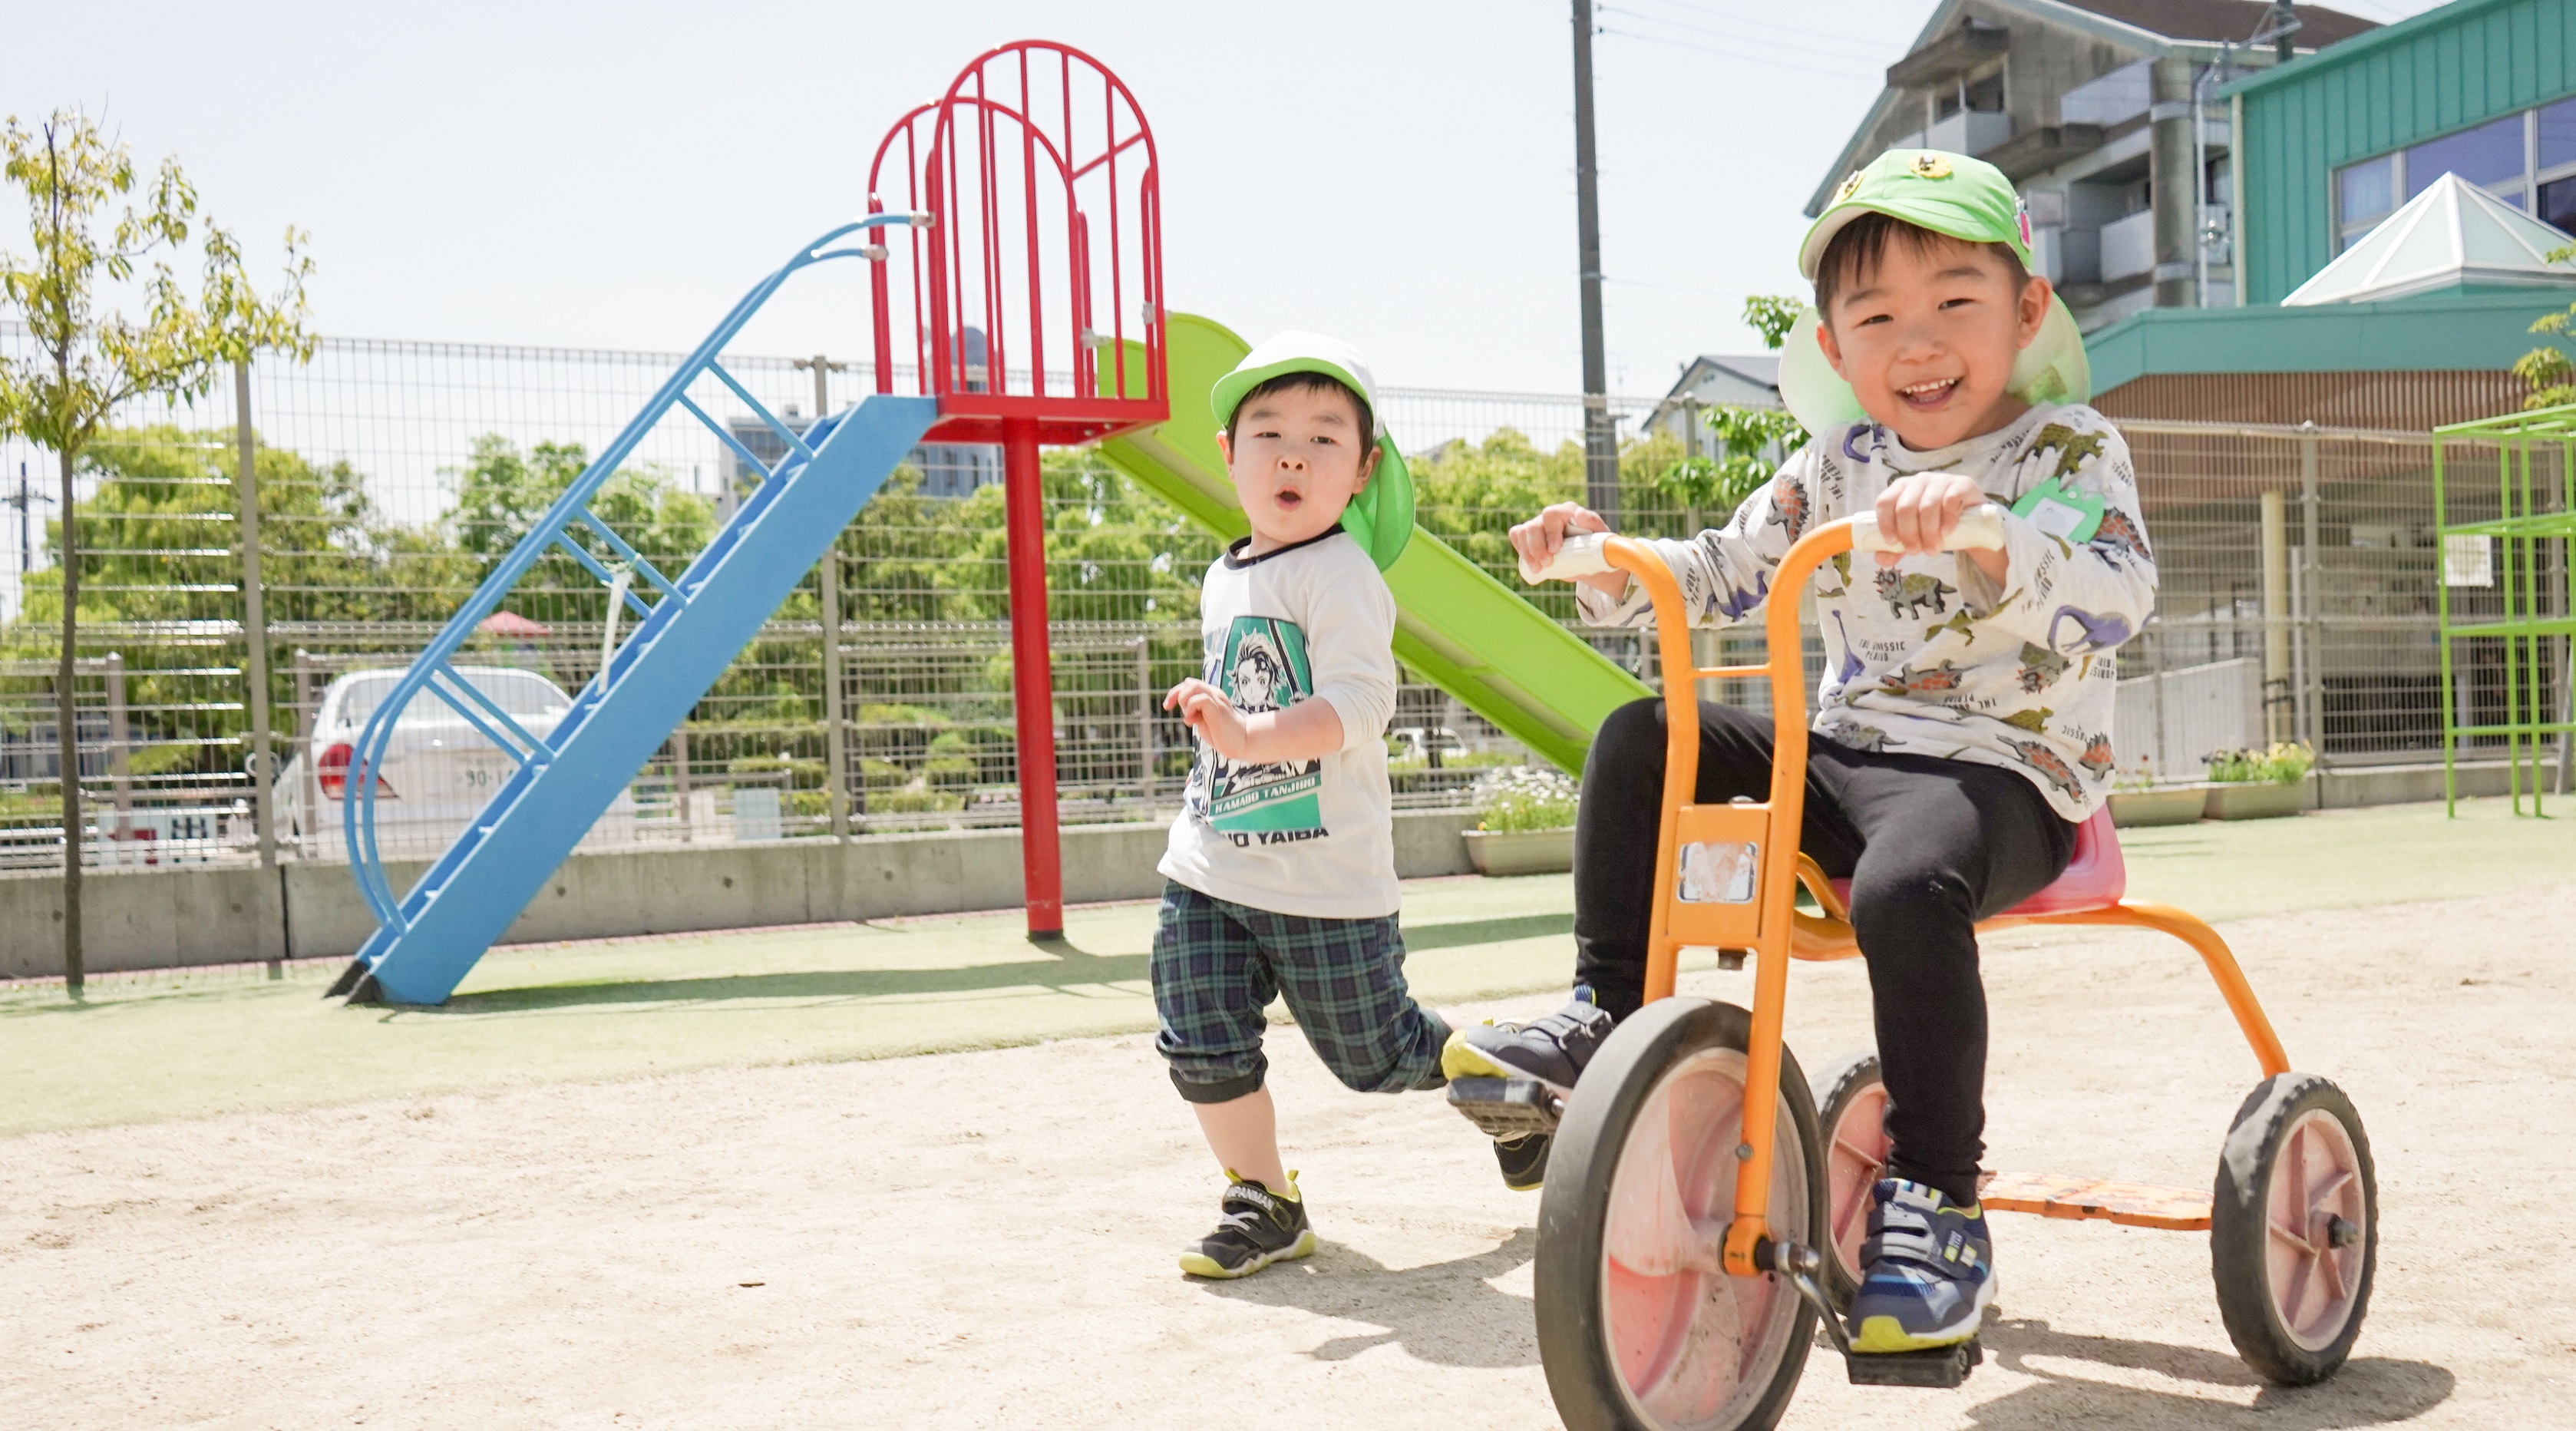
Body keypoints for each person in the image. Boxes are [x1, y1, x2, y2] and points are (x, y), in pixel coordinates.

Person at [1447, 150, 2158, 1353]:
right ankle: (1601, 1015)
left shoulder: (2067, 452)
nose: (1917, 343)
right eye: (1877, 317)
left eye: (1954, 304)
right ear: (1834, 349)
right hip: (1848, 756)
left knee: (1902, 882)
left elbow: (2119, 592)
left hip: (2010, 774)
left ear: (2026, 311)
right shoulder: (1838, 464)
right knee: (1646, 732)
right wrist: (1596, 558)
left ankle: (1938, 1196)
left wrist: (1992, 541)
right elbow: (1721, 571)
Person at [1153, 331, 1448, 1279]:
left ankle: (1510, 1079)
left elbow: (1362, 704)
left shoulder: (1341, 575)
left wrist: (1248, 734)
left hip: (1325, 880)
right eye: (1267, 431)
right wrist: (1223, 730)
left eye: (1324, 438)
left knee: (1379, 1055)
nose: (1291, 453)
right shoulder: (1222, 571)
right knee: (1196, 1025)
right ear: (1226, 454)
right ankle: (1263, 1199)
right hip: (1211, 863)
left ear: (1362, 471)